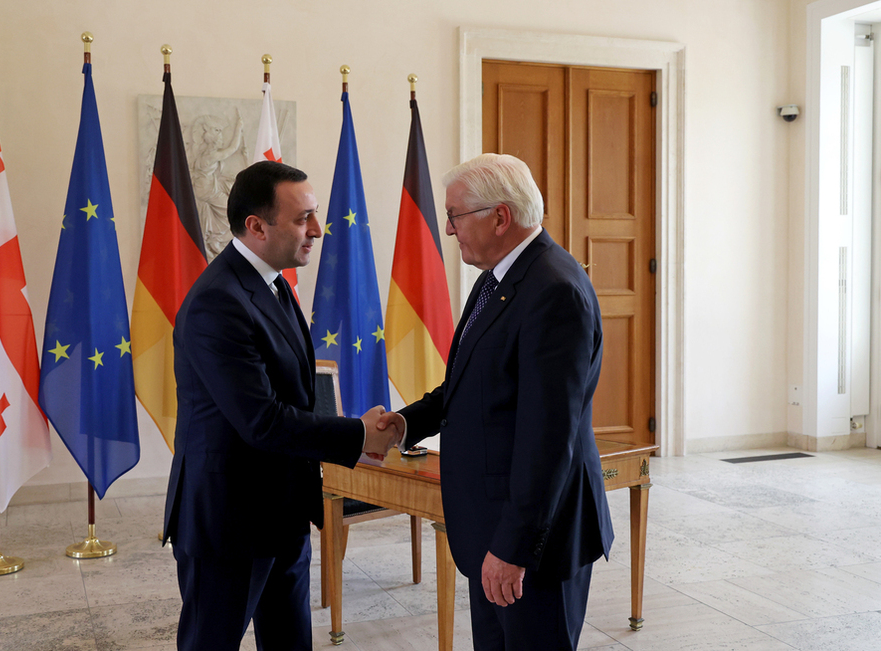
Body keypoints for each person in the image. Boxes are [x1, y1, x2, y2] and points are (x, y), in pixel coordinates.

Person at [378, 153, 614, 650]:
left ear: (499, 217)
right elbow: (468, 385)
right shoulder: (498, 279)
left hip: (532, 546)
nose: (447, 229)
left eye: (455, 215)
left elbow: (547, 439)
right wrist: (403, 424)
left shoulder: (554, 291)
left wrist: (513, 548)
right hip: (492, 531)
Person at [163, 160, 401, 650]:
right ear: (256, 226)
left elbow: (298, 394)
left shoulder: (274, 284)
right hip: (229, 521)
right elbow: (261, 420)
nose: (316, 230)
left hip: (283, 510)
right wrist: (356, 434)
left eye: (314, 215)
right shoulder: (218, 301)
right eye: (302, 219)